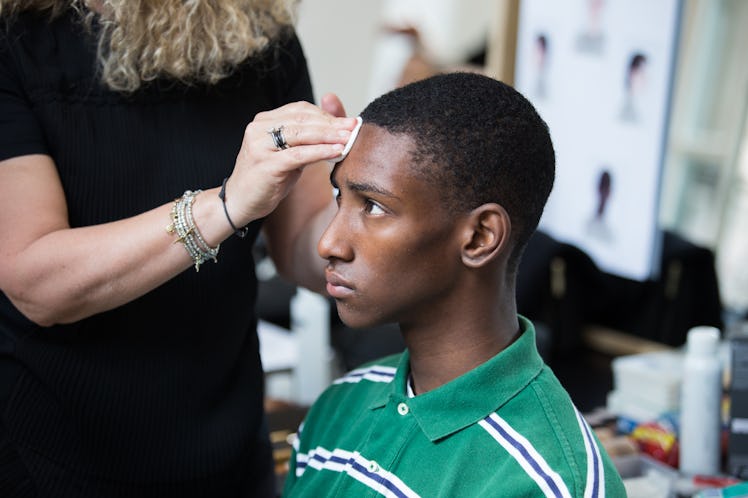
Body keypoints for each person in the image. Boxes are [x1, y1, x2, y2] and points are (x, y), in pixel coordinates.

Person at [0, 1, 357, 497]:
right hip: (55, 453)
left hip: (226, 446)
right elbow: (36, 283)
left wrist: (361, 210)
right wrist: (225, 206)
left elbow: (301, 244)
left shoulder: (260, 35)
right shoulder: (15, 40)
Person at [283, 72, 626, 497]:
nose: (328, 242)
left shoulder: (548, 483)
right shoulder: (339, 405)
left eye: (373, 207)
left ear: (480, 237)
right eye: (340, 199)